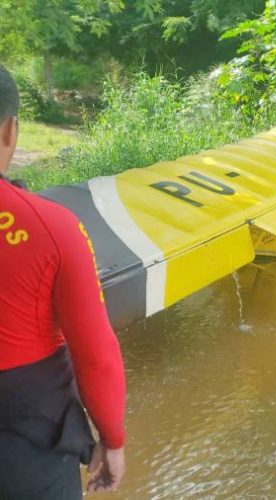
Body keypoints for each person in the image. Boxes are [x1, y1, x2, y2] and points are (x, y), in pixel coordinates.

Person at [0, 65, 126, 499]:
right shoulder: (53, 228)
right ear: (10, 131)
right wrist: (112, 439)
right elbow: (96, 355)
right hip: (24, 444)